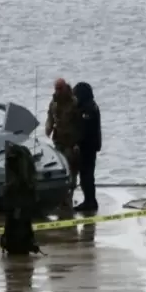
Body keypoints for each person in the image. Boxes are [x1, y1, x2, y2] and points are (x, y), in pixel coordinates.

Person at [45, 78, 80, 209]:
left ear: (65, 88)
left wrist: (77, 142)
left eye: (60, 88)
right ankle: (63, 196)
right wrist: (48, 127)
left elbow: (79, 123)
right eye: (56, 89)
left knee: (72, 168)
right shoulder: (53, 103)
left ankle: (70, 194)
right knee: (61, 167)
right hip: (58, 139)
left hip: (72, 141)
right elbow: (50, 117)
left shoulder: (74, 102)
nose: (58, 91)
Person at [73, 81, 101, 212]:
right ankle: (89, 200)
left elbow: (85, 130)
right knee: (87, 174)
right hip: (91, 146)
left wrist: (78, 143)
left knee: (86, 175)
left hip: (87, 147)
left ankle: (90, 201)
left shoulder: (87, 109)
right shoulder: (91, 106)